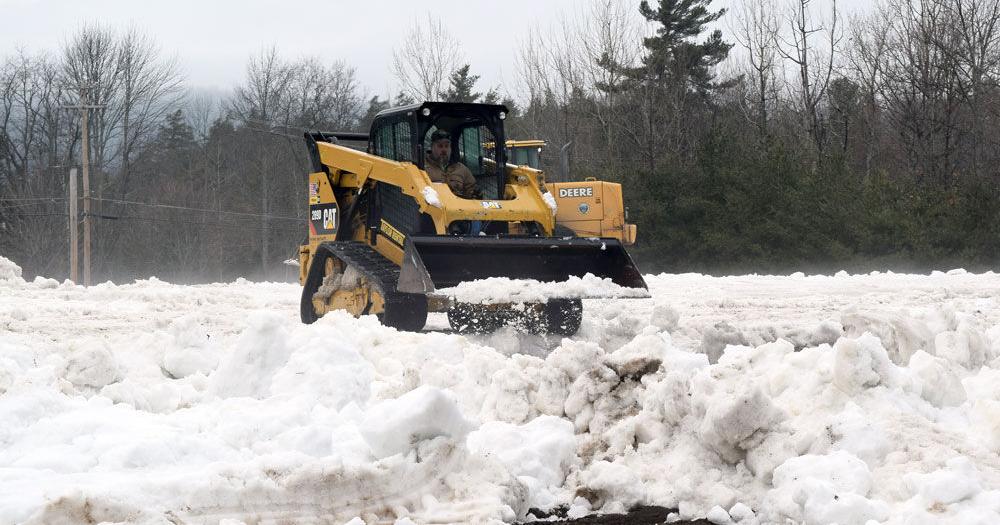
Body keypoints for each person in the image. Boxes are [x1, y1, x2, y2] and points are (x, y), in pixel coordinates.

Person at [424, 129, 479, 199]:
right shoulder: (422, 167)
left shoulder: (461, 168)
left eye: (447, 146)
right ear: (432, 147)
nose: (444, 150)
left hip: (459, 207)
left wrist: (475, 193)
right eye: (440, 146)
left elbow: (471, 189)